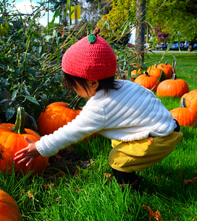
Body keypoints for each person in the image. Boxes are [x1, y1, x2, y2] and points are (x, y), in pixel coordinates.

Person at [14, 28, 183, 190]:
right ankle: (133, 171)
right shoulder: (123, 85)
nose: (73, 89)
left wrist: (40, 147)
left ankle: (131, 189)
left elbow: (70, 132)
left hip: (159, 138)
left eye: (74, 85)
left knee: (117, 160)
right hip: (168, 126)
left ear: (93, 83)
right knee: (117, 142)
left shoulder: (100, 107)